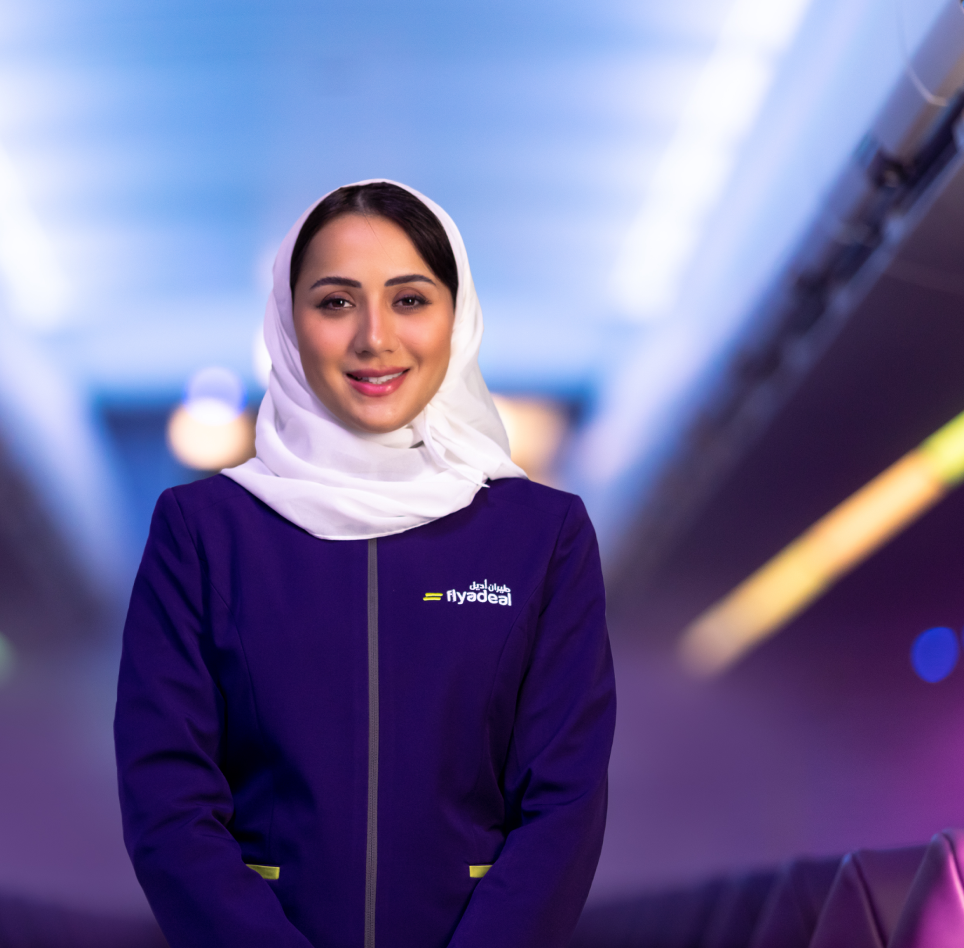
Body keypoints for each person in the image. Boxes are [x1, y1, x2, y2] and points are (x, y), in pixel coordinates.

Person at [115, 180, 615, 948]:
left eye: (410, 300)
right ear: (288, 323)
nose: (374, 338)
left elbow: (565, 801)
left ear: (459, 317)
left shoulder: (541, 536)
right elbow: (168, 800)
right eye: (336, 302)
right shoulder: (204, 533)